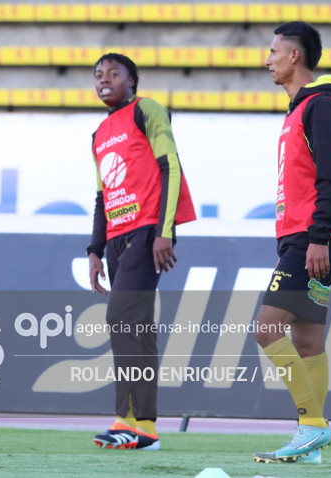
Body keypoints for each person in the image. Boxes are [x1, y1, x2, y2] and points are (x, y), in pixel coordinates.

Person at [252, 22, 331, 464]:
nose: (268, 59)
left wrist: (319, 237)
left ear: (294, 56)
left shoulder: (319, 105)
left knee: (266, 328)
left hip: (313, 238)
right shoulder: (303, 109)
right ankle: (311, 442)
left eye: (274, 51)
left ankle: (312, 427)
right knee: (308, 338)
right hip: (304, 236)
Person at [87, 53, 196, 451]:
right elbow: (102, 197)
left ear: (132, 80)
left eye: (113, 73)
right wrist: (95, 249)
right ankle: (144, 427)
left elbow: (171, 165)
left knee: (119, 317)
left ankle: (125, 418)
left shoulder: (146, 110)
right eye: (98, 75)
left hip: (146, 231)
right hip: (116, 240)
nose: (104, 80)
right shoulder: (99, 133)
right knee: (136, 330)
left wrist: (164, 231)